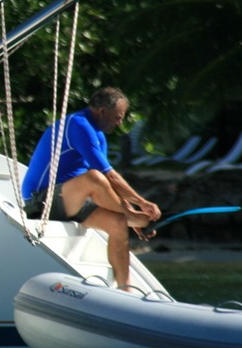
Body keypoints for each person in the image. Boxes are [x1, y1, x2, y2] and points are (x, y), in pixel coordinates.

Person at [20, 86, 161, 292]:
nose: (120, 122)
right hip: (41, 201)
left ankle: (125, 289)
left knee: (118, 223)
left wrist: (127, 212)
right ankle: (132, 218)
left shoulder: (99, 135)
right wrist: (142, 204)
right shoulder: (79, 125)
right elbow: (106, 175)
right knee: (94, 177)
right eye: (118, 116)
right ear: (103, 111)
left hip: (70, 200)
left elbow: (109, 185)